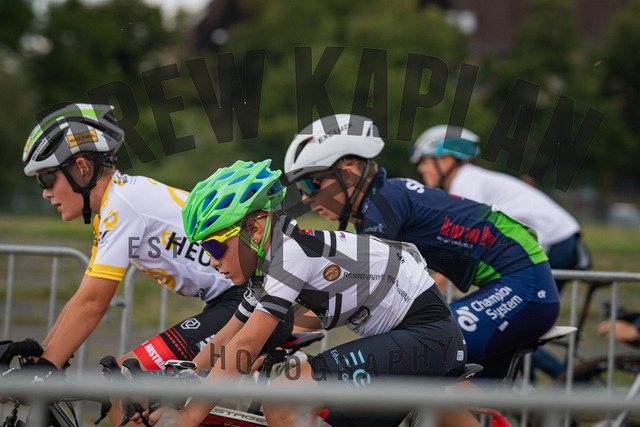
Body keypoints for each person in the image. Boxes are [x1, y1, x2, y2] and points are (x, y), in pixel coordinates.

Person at [14, 103, 292, 422]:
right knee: (127, 389)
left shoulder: (123, 206)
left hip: (248, 301)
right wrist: (44, 355)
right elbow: (83, 296)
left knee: (122, 383)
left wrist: (44, 368)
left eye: (47, 178)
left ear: (81, 168)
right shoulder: (116, 205)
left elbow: (92, 303)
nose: (45, 193)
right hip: (230, 301)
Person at [148, 159, 471, 427]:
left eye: (214, 247)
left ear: (255, 230)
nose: (211, 261)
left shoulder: (291, 254)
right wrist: (182, 383)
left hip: (427, 337)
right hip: (417, 341)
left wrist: (190, 415)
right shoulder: (269, 265)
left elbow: (245, 346)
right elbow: (225, 338)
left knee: (282, 399)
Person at [283, 114, 560, 380]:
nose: (306, 199)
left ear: (349, 174)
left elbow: (352, 287)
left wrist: (280, 327)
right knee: (433, 371)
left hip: (525, 282)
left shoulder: (383, 203)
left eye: (312, 183)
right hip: (514, 278)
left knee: (430, 350)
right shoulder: (379, 202)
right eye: (301, 189)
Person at [410, 124, 591, 379]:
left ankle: (574, 384)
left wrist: (426, 290)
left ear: (447, 160)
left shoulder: (465, 183)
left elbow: (463, 247)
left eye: (425, 160)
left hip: (555, 240)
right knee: (512, 322)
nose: (421, 168)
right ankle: (530, 390)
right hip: (558, 238)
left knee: (519, 323)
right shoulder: (472, 179)